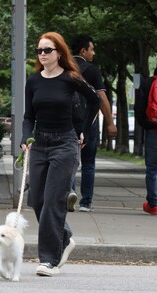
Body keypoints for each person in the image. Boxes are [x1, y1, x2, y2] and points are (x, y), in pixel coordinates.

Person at [20, 32, 100, 276]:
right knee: (36, 199)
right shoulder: (34, 81)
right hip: (40, 143)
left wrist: (84, 130)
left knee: (54, 201)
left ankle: (49, 260)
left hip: (65, 143)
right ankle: (64, 237)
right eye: (39, 50)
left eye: (47, 50)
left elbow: (95, 100)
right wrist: (25, 137)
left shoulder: (71, 78)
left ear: (59, 53)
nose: (42, 54)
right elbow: (28, 116)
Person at [67, 34, 117, 212]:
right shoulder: (91, 70)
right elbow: (101, 97)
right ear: (83, 50)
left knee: (69, 160)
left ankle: (69, 193)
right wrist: (110, 122)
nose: (93, 53)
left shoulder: (63, 67)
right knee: (88, 163)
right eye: (92, 49)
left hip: (67, 122)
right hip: (89, 121)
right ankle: (86, 202)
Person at [135, 67, 157, 215]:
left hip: (153, 130)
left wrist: (146, 124)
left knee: (152, 168)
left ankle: (153, 204)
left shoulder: (147, 83)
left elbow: (139, 107)